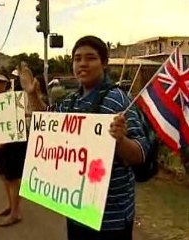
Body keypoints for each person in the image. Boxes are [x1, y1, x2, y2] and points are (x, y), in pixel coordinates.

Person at [18, 36, 149, 240]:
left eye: (90, 58)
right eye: (77, 59)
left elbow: (141, 153)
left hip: (111, 220)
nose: (82, 64)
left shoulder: (118, 100)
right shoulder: (71, 101)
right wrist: (32, 94)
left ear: (103, 63)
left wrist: (120, 140)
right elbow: (47, 122)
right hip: (77, 211)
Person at [0, 72, 27, 227]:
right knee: (4, 177)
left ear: (5, 84)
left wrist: (3, 144)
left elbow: (19, 127)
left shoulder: (14, 101)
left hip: (13, 147)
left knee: (13, 179)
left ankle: (15, 213)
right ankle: (11, 206)